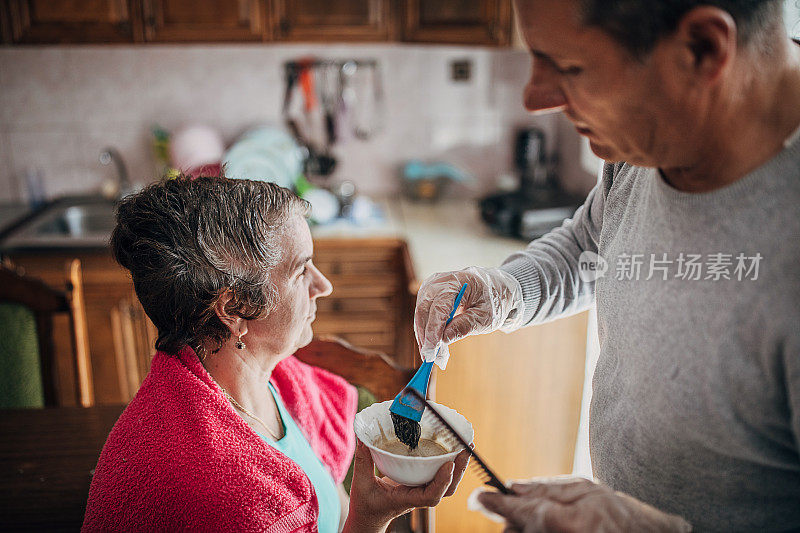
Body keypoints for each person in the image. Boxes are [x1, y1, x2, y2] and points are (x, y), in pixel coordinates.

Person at [414, 0, 800, 530]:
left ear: (704, 49)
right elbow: (592, 245)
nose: (534, 97)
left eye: (570, 68)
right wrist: (505, 290)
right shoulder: (651, 139)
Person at [83, 176, 469, 532]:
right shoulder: (221, 495)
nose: (324, 285)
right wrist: (372, 516)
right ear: (234, 309)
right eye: (301, 270)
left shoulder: (274, 382)